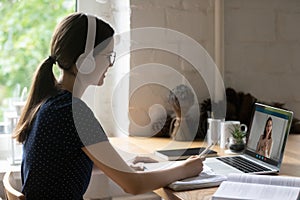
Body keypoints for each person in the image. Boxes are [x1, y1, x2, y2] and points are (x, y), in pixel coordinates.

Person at [13, 12, 204, 200]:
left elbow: (63, 162)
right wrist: (184, 169)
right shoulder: (73, 112)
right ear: (85, 61)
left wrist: (125, 164)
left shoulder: (51, 102)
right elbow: (133, 185)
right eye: (107, 56)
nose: (110, 64)